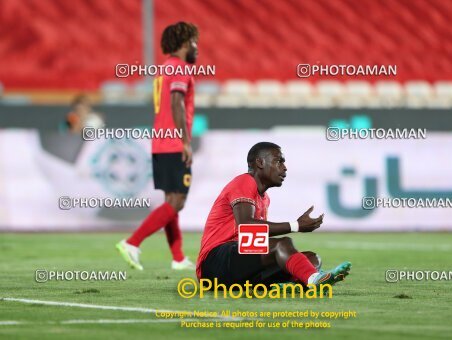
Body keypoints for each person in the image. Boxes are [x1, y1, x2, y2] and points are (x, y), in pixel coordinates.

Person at [196, 142, 351, 288]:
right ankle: (313, 280)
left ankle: (296, 283)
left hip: (236, 264)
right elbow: (246, 226)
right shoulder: (245, 181)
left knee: (311, 259)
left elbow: (253, 241)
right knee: (283, 244)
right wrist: (296, 226)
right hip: (213, 263)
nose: (284, 168)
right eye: (279, 161)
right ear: (260, 163)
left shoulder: (265, 198)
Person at [116, 22, 199, 271]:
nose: (197, 48)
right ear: (185, 44)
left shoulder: (164, 69)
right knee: (177, 202)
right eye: (195, 42)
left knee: (171, 201)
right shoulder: (181, 69)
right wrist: (185, 141)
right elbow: (176, 103)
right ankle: (132, 242)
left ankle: (177, 258)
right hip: (173, 142)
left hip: (159, 142)